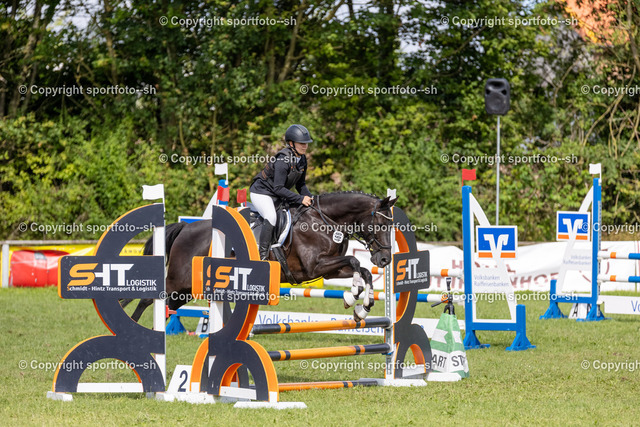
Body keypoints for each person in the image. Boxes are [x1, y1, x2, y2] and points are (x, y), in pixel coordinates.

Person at [250, 124, 314, 260]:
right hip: (262, 193)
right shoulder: (282, 159)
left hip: (277, 194)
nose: (305, 146)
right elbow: (278, 188)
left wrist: (311, 198)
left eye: (306, 143)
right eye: (301, 143)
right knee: (271, 217)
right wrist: (300, 199)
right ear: (291, 144)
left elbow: (301, 185)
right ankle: (262, 256)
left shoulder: (302, 159)